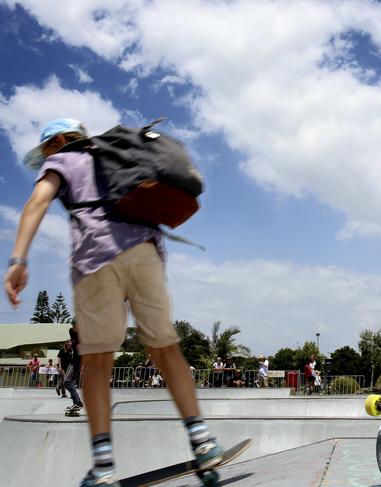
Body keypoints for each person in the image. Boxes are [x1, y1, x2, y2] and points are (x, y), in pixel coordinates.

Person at [3, 119, 224, 486]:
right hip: (145, 254)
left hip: (95, 263)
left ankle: (103, 467)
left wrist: (18, 261)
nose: (45, 156)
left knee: (97, 361)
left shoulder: (63, 159)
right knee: (165, 349)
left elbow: (36, 202)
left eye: (46, 148)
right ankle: (202, 440)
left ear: (60, 140)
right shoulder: (111, 155)